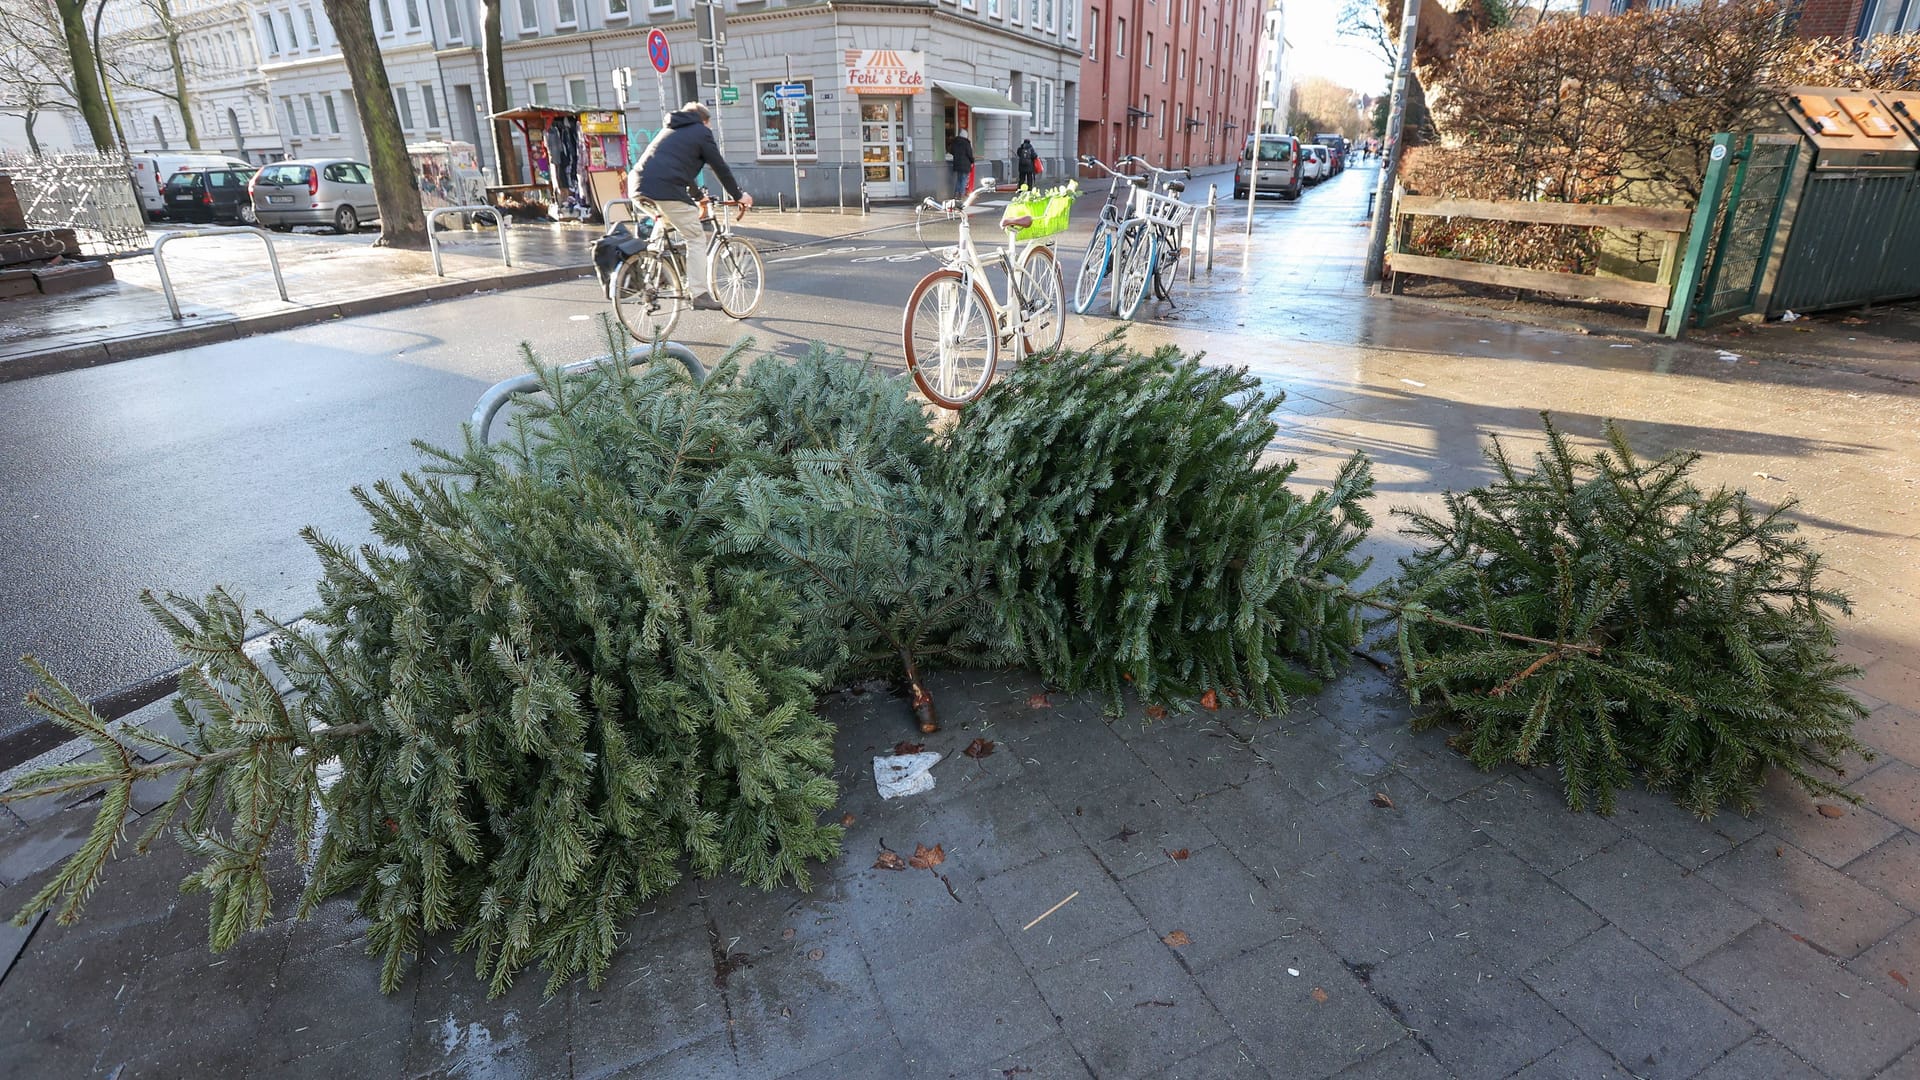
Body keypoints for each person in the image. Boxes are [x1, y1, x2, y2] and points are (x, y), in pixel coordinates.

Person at [627, 102, 753, 309]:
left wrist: (697, 196)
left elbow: (679, 171)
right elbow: (719, 166)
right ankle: (699, 293)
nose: (710, 128)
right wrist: (739, 195)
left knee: (664, 223)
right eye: (709, 124)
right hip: (664, 189)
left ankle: (651, 272)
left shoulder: (671, 130)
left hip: (637, 186)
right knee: (695, 237)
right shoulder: (700, 132)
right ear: (704, 121)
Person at [948, 129, 975, 200]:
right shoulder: (966, 143)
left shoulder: (955, 142)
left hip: (957, 164)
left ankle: (956, 194)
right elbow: (969, 154)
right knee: (964, 180)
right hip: (965, 164)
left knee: (959, 179)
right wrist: (972, 161)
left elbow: (951, 151)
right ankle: (961, 195)